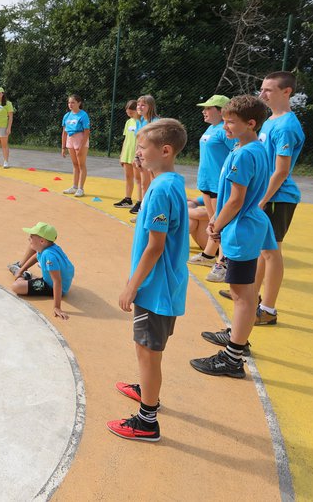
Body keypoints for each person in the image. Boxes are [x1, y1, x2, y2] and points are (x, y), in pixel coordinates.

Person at [108, 118, 188, 442]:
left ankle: (147, 421)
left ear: (165, 150)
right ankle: (146, 388)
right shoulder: (169, 182)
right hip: (162, 287)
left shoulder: (160, 191)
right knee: (148, 353)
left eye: (143, 148)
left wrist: (131, 285)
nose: (137, 153)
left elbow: (155, 247)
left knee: (147, 352)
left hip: (154, 290)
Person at [191, 95, 275, 377]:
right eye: (224, 121)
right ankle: (237, 336)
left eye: (230, 122)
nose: (225, 127)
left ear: (250, 124)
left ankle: (232, 357)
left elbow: (235, 199)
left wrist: (216, 225)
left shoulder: (244, 154)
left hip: (240, 228)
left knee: (241, 295)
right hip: (248, 225)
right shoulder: (255, 148)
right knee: (246, 291)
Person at [220, 71, 304, 326]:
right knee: (259, 250)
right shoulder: (270, 121)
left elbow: (281, 170)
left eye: (268, 89)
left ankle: (267, 308)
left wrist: (261, 199)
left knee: (271, 251)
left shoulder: (287, 125)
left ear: (286, 92)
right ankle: (251, 296)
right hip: (264, 195)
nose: (262, 93)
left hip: (278, 197)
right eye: (262, 88)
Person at [188, 95, 234, 270]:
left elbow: (236, 154)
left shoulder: (225, 131)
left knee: (220, 223)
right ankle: (208, 255)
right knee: (213, 222)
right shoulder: (211, 129)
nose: (204, 111)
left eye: (208, 108)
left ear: (221, 111)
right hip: (206, 184)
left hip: (219, 185)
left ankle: (222, 262)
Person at [6, 222, 74, 320]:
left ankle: (24, 276)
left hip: (52, 286)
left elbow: (57, 281)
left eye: (31, 236)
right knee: (32, 246)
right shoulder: (49, 247)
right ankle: (19, 269)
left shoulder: (49, 256)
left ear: (42, 241)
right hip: (56, 279)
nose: (29, 238)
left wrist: (57, 307)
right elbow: (36, 256)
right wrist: (21, 270)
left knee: (16, 287)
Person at [128, 94, 159, 215]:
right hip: (142, 155)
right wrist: (136, 156)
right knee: (143, 184)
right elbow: (139, 140)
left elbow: (157, 141)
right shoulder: (140, 121)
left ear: (150, 106)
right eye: (138, 105)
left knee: (149, 184)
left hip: (151, 156)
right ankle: (143, 210)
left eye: (143, 105)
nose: (139, 107)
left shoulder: (155, 122)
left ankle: (148, 211)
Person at [61, 94, 90, 197]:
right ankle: (74, 187)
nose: (70, 104)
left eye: (73, 102)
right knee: (75, 164)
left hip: (80, 139)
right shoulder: (67, 116)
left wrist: (82, 146)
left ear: (79, 103)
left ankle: (81, 188)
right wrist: (63, 147)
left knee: (81, 164)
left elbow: (87, 132)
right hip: (70, 139)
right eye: (69, 102)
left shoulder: (83, 115)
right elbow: (64, 132)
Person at [114, 100, 141, 209]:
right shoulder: (128, 122)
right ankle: (127, 199)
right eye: (128, 112)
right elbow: (126, 139)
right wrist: (122, 154)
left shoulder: (141, 122)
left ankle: (140, 202)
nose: (129, 114)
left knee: (138, 179)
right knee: (128, 176)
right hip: (127, 153)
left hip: (136, 154)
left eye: (131, 112)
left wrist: (138, 155)